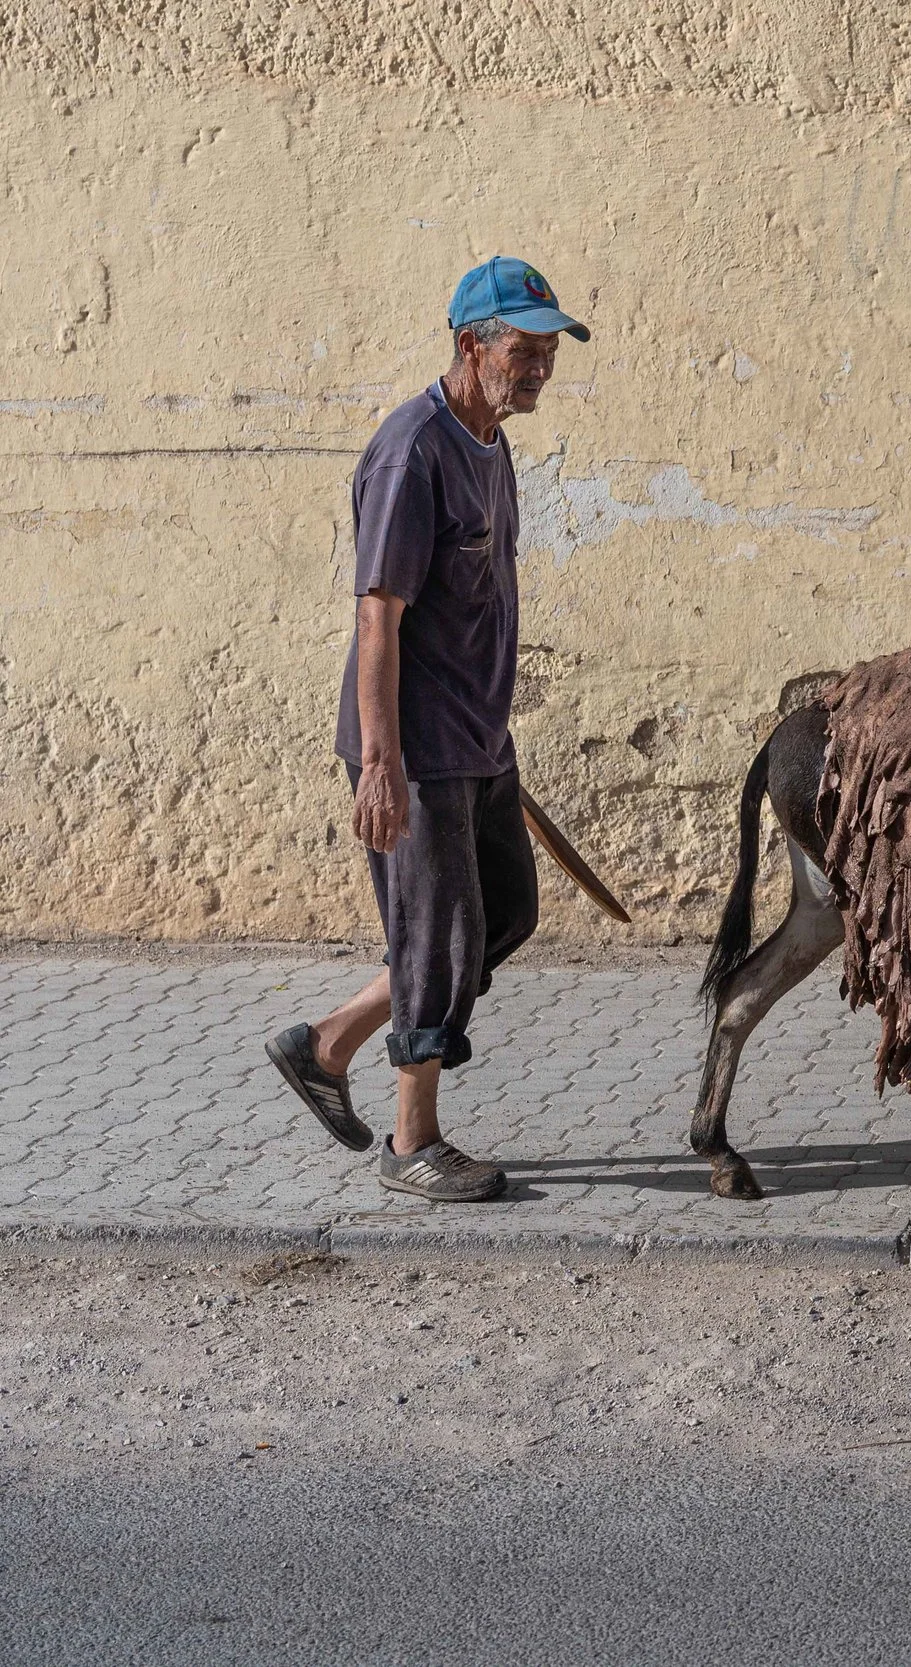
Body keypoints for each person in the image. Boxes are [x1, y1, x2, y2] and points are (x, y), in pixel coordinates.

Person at [263, 257, 589, 1202]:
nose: (538, 370)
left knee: (503, 916)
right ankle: (412, 1144)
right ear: (469, 346)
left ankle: (327, 1044)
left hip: (477, 742)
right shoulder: (412, 453)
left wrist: (492, 738)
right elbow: (379, 616)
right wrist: (381, 764)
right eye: (522, 352)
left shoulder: (490, 444)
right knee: (441, 938)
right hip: (418, 750)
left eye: (547, 353)